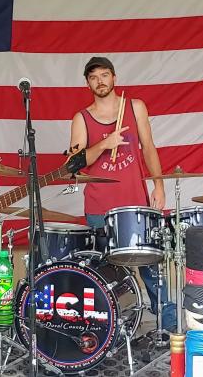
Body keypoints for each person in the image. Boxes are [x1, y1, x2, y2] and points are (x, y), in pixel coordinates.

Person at [69, 56, 176, 333]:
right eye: (94, 77)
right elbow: (76, 163)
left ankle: (169, 324)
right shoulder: (81, 118)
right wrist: (106, 143)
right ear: (87, 82)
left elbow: (149, 148)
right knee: (104, 271)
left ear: (114, 78)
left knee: (150, 267)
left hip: (135, 203)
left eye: (104, 75)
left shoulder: (135, 106)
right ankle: (107, 328)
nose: (100, 81)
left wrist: (159, 185)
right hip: (98, 208)